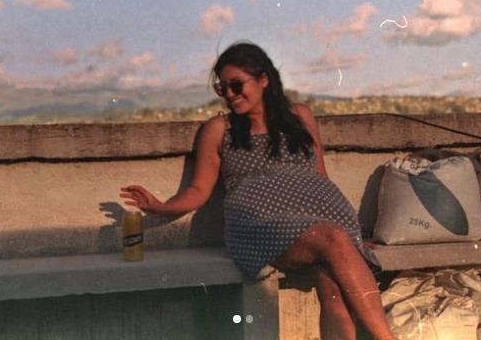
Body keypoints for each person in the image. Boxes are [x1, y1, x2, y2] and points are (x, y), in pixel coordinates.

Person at [120, 42, 396, 340]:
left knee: (333, 289)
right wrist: (161, 207)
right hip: (262, 223)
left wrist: (353, 236)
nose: (229, 94)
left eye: (236, 85)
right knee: (334, 241)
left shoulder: (301, 116)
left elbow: (320, 176)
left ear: (263, 79)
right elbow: (199, 189)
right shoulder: (220, 129)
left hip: (322, 223)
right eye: (222, 87)